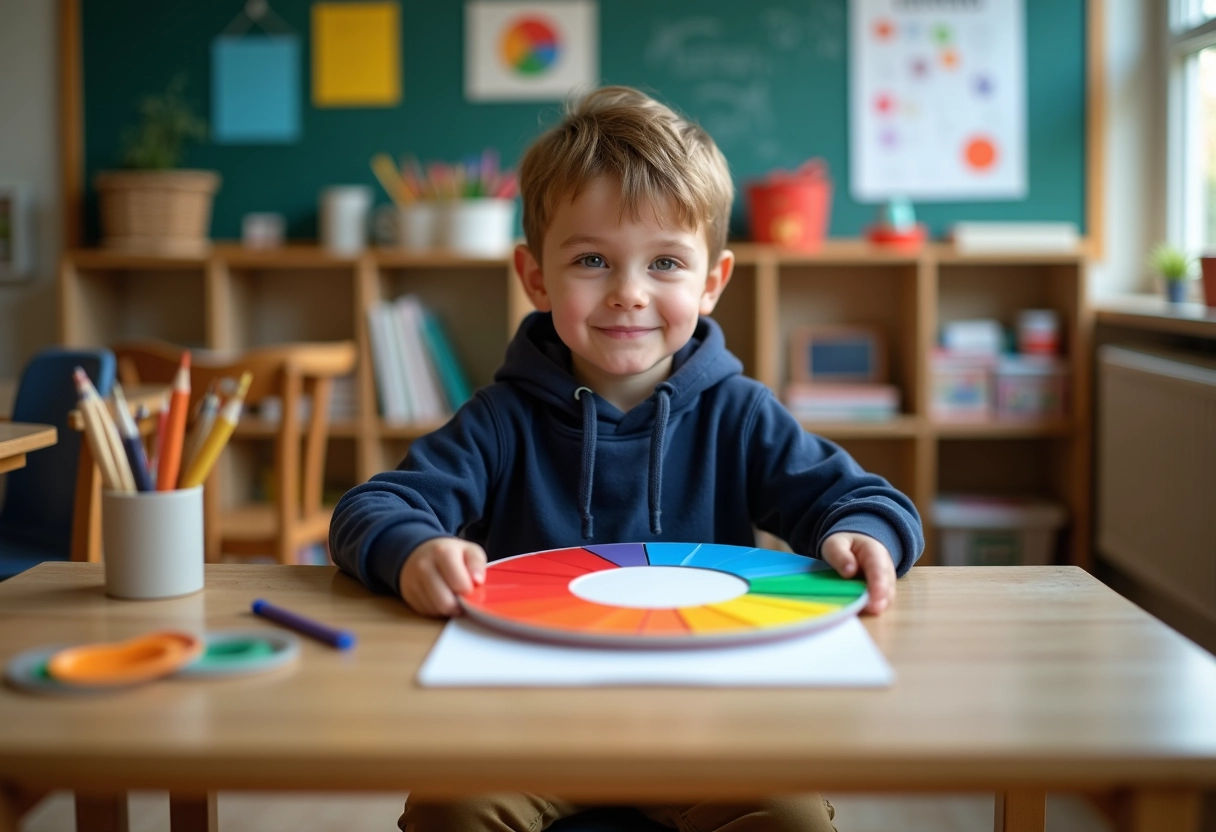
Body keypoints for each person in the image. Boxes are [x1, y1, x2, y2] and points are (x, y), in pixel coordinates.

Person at [330, 85, 924, 832]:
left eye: (667, 264)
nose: (629, 294)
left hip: (713, 725)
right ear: (536, 277)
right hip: (528, 724)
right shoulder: (500, 420)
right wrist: (412, 552)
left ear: (713, 282)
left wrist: (865, 532)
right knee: (452, 811)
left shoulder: (738, 414)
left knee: (794, 819)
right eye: (591, 260)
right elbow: (369, 509)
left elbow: (866, 501)